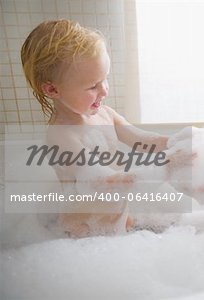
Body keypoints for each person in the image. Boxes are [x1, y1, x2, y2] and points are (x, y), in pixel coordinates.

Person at [21, 19, 169, 237]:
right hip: (85, 232)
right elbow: (99, 180)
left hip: (116, 220)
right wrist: (156, 172)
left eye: (105, 79)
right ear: (52, 90)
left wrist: (179, 145)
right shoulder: (62, 136)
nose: (104, 91)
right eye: (92, 86)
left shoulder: (106, 114)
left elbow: (145, 140)